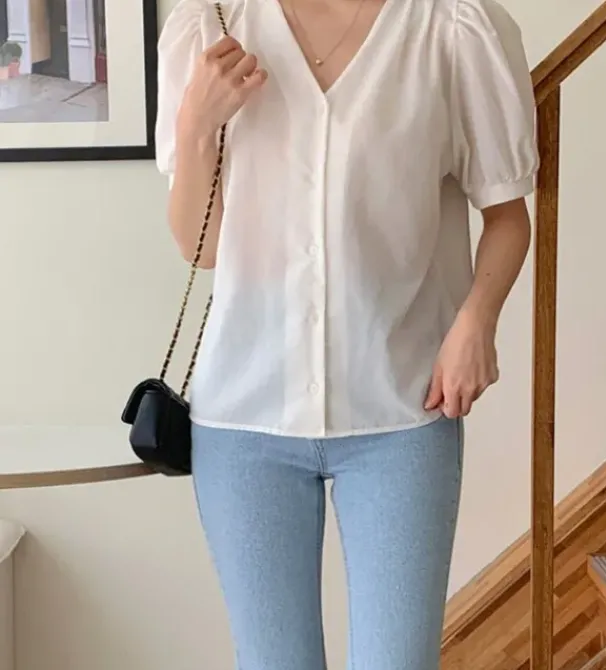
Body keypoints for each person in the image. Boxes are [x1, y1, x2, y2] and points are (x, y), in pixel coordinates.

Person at [155, 0, 538, 668]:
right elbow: (201, 247)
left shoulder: (450, 28)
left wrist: (477, 320)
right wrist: (195, 124)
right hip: (244, 420)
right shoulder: (210, 27)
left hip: (402, 412)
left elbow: (508, 215)